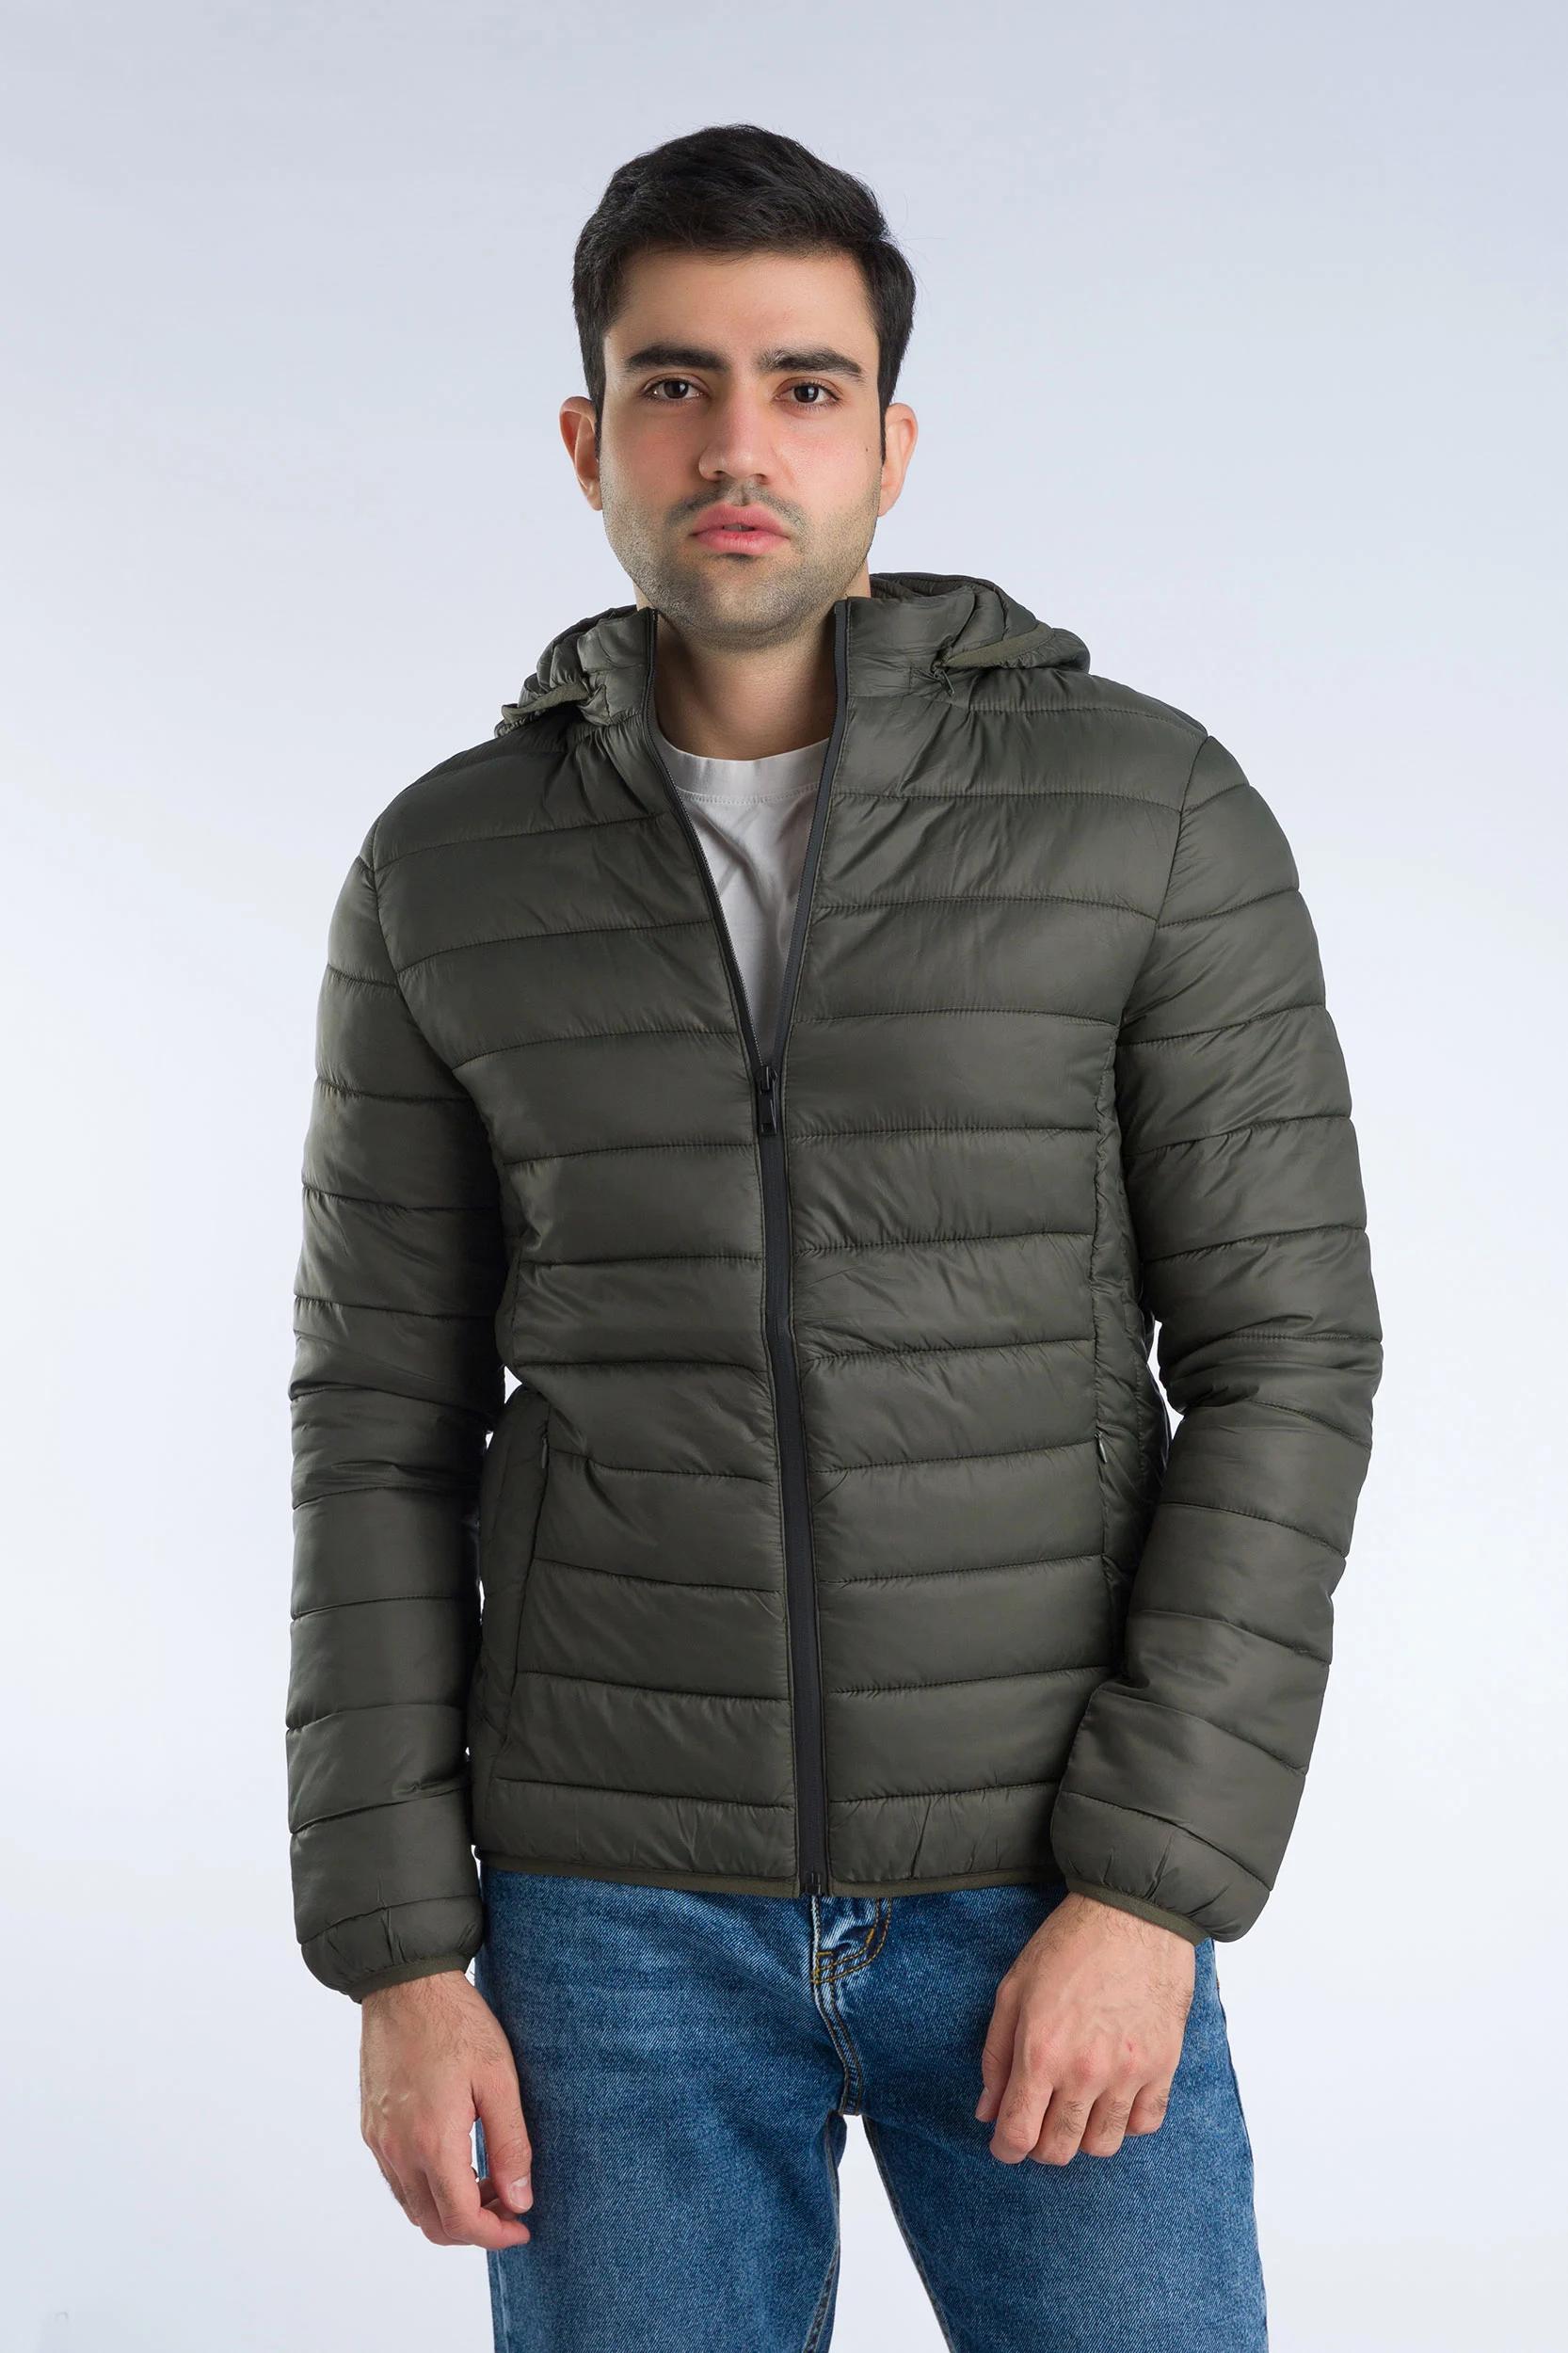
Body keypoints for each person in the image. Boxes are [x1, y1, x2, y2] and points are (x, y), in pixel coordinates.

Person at [286, 122, 1382, 2352]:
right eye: (672, 384)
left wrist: (1146, 1884)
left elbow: (1284, 1359)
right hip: (608, 1920)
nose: (736, 444)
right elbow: (375, 1421)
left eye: (801, 386)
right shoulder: (443, 869)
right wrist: (401, 1952)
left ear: (887, 442)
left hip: (1041, 1877)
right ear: (588, 440)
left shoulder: (1145, 811)